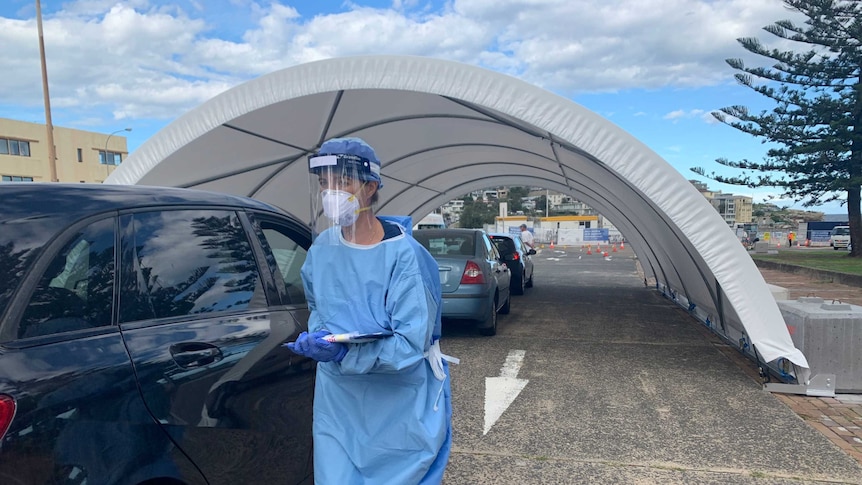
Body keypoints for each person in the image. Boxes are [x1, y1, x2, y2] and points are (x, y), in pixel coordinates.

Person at [287, 137, 453, 484]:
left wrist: (344, 352)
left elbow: (410, 344)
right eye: (323, 184)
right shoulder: (322, 249)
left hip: (397, 405)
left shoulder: (404, 255)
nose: (330, 192)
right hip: (339, 405)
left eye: (342, 182)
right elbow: (319, 306)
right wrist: (320, 339)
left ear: (371, 187)